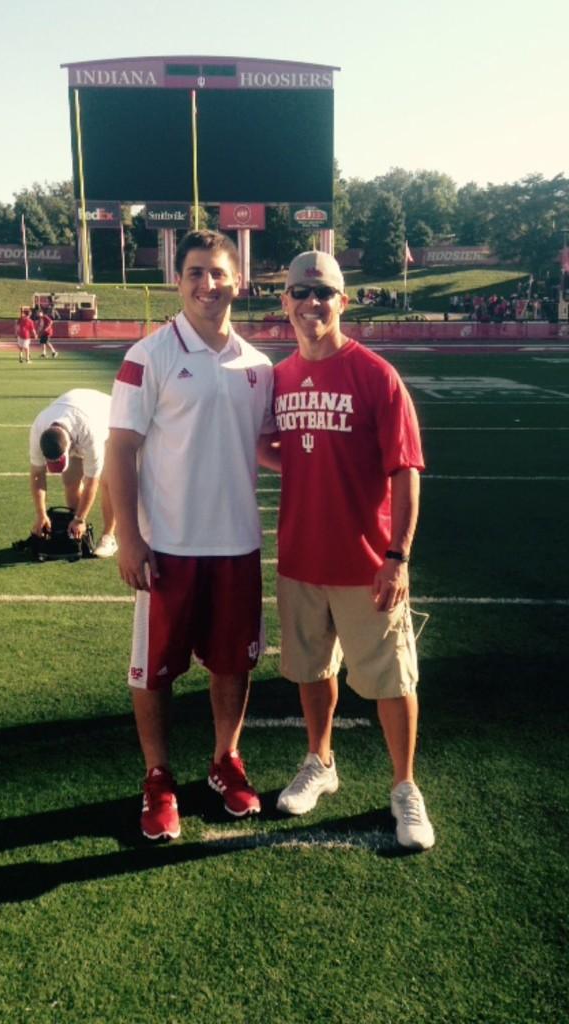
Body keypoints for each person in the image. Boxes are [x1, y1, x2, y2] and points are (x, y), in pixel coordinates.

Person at [259, 251, 435, 851]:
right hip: (301, 558)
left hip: (367, 565)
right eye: (300, 292)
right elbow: (268, 445)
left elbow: (406, 470)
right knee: (312, 671)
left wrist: (398, 556)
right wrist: (309, 468)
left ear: (344, 301)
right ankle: (320, 762)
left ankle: (405, 787)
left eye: (324, 293)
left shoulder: (376, 375)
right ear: (285, 301)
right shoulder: (279, 377)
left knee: (391, 679)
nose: (312, 303)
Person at [106, 229, 275, 841]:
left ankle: (225, 760)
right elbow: (120, 450)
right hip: (168, 546)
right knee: (154, 672)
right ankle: (158, 776)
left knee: (233, 664)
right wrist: (129, 538)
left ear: (239, 283)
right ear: (177, 282)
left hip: (237, 542)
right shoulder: (147, 355)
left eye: (218, 273)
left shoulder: (259, 366)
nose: (208, 284)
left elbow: (263, 446)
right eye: (196, 273)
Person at [29, 389, 117, 558]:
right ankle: (76, 532)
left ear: (68, 448)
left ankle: (109, 537)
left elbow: (92, 481)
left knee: (109, 480)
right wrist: (41, 514)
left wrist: (80, 519)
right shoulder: (39, 428)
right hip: (74, 416)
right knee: (70, 481)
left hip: (109, 419)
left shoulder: (90, 433)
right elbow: (37, 475)